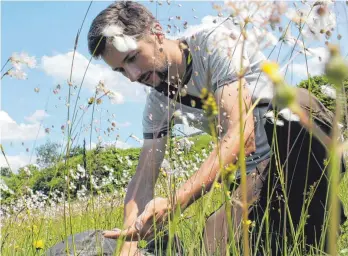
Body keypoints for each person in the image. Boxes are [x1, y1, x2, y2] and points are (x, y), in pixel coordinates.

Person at [87, 1, 346, 255]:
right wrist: (128, 243)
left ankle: (318, 214)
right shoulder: (157, 104)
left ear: (156, 32)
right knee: (214, 248)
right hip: (256, 175)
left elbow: (242, 136)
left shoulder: (215, 44)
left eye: (132, 58)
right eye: (121, 70)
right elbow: (144, 175)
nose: (132, 76)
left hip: (302, 142)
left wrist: (176, 202)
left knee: (293, 112)